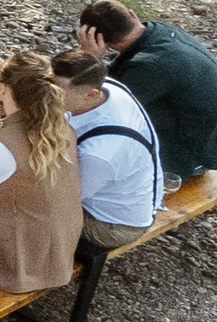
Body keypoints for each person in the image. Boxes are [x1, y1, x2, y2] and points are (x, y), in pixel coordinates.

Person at [0, 51, 83, 294]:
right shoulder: (61, 127)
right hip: (56, 248)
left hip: (19, 259)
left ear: (4, 89)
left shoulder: (1, 146)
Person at [78, 0, 217, 181]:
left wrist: (91, 59)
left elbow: (99, 106)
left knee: (89, 140)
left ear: (101, 41)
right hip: (210, 136)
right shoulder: (158, 30)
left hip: (193, 156)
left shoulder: (151, 66)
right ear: (132, 15)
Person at [54, 49, 163, 254]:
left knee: (23, 208)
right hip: (132, 190)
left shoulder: (101, 154)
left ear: (91, 94)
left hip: (112, 225)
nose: (47, 95)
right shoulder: (111, 88)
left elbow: (65, 199)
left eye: (57, 93)